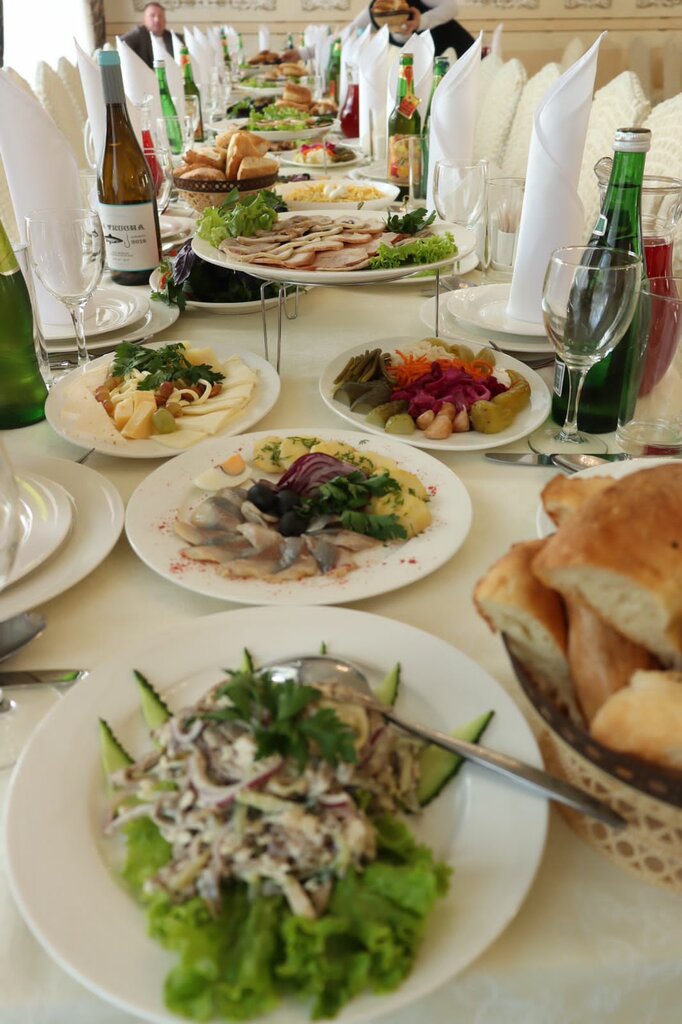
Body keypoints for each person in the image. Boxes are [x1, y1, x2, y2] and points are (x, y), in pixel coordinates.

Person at [283, 0, 474, 62]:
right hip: (431, 68)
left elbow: (452, 7)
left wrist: (422, 21)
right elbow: (345, 35)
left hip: (462, 54)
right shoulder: (378, 10)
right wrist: (302, 53)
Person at [121, 1, 175, 68]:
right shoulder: (139, 34)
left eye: (160, 16)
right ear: (145, 19)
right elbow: (121, 42)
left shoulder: (173, 37)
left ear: (165, 20)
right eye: (152, 16)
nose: (157, 20)